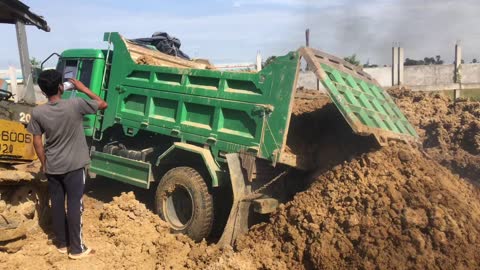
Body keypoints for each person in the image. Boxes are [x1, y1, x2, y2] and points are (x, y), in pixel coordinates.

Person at [27, 70, 107, 259]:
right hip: (74, 166)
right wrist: (83, 88)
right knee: (74, 204)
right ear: (61, 87)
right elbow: (103, 104)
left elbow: (37, 142)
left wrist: (44, 164)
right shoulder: (76, 104)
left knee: (56, 202)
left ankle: (62, 243)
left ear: (43, 90)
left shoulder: (38, 112)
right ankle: (77, 249)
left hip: (53, 165)